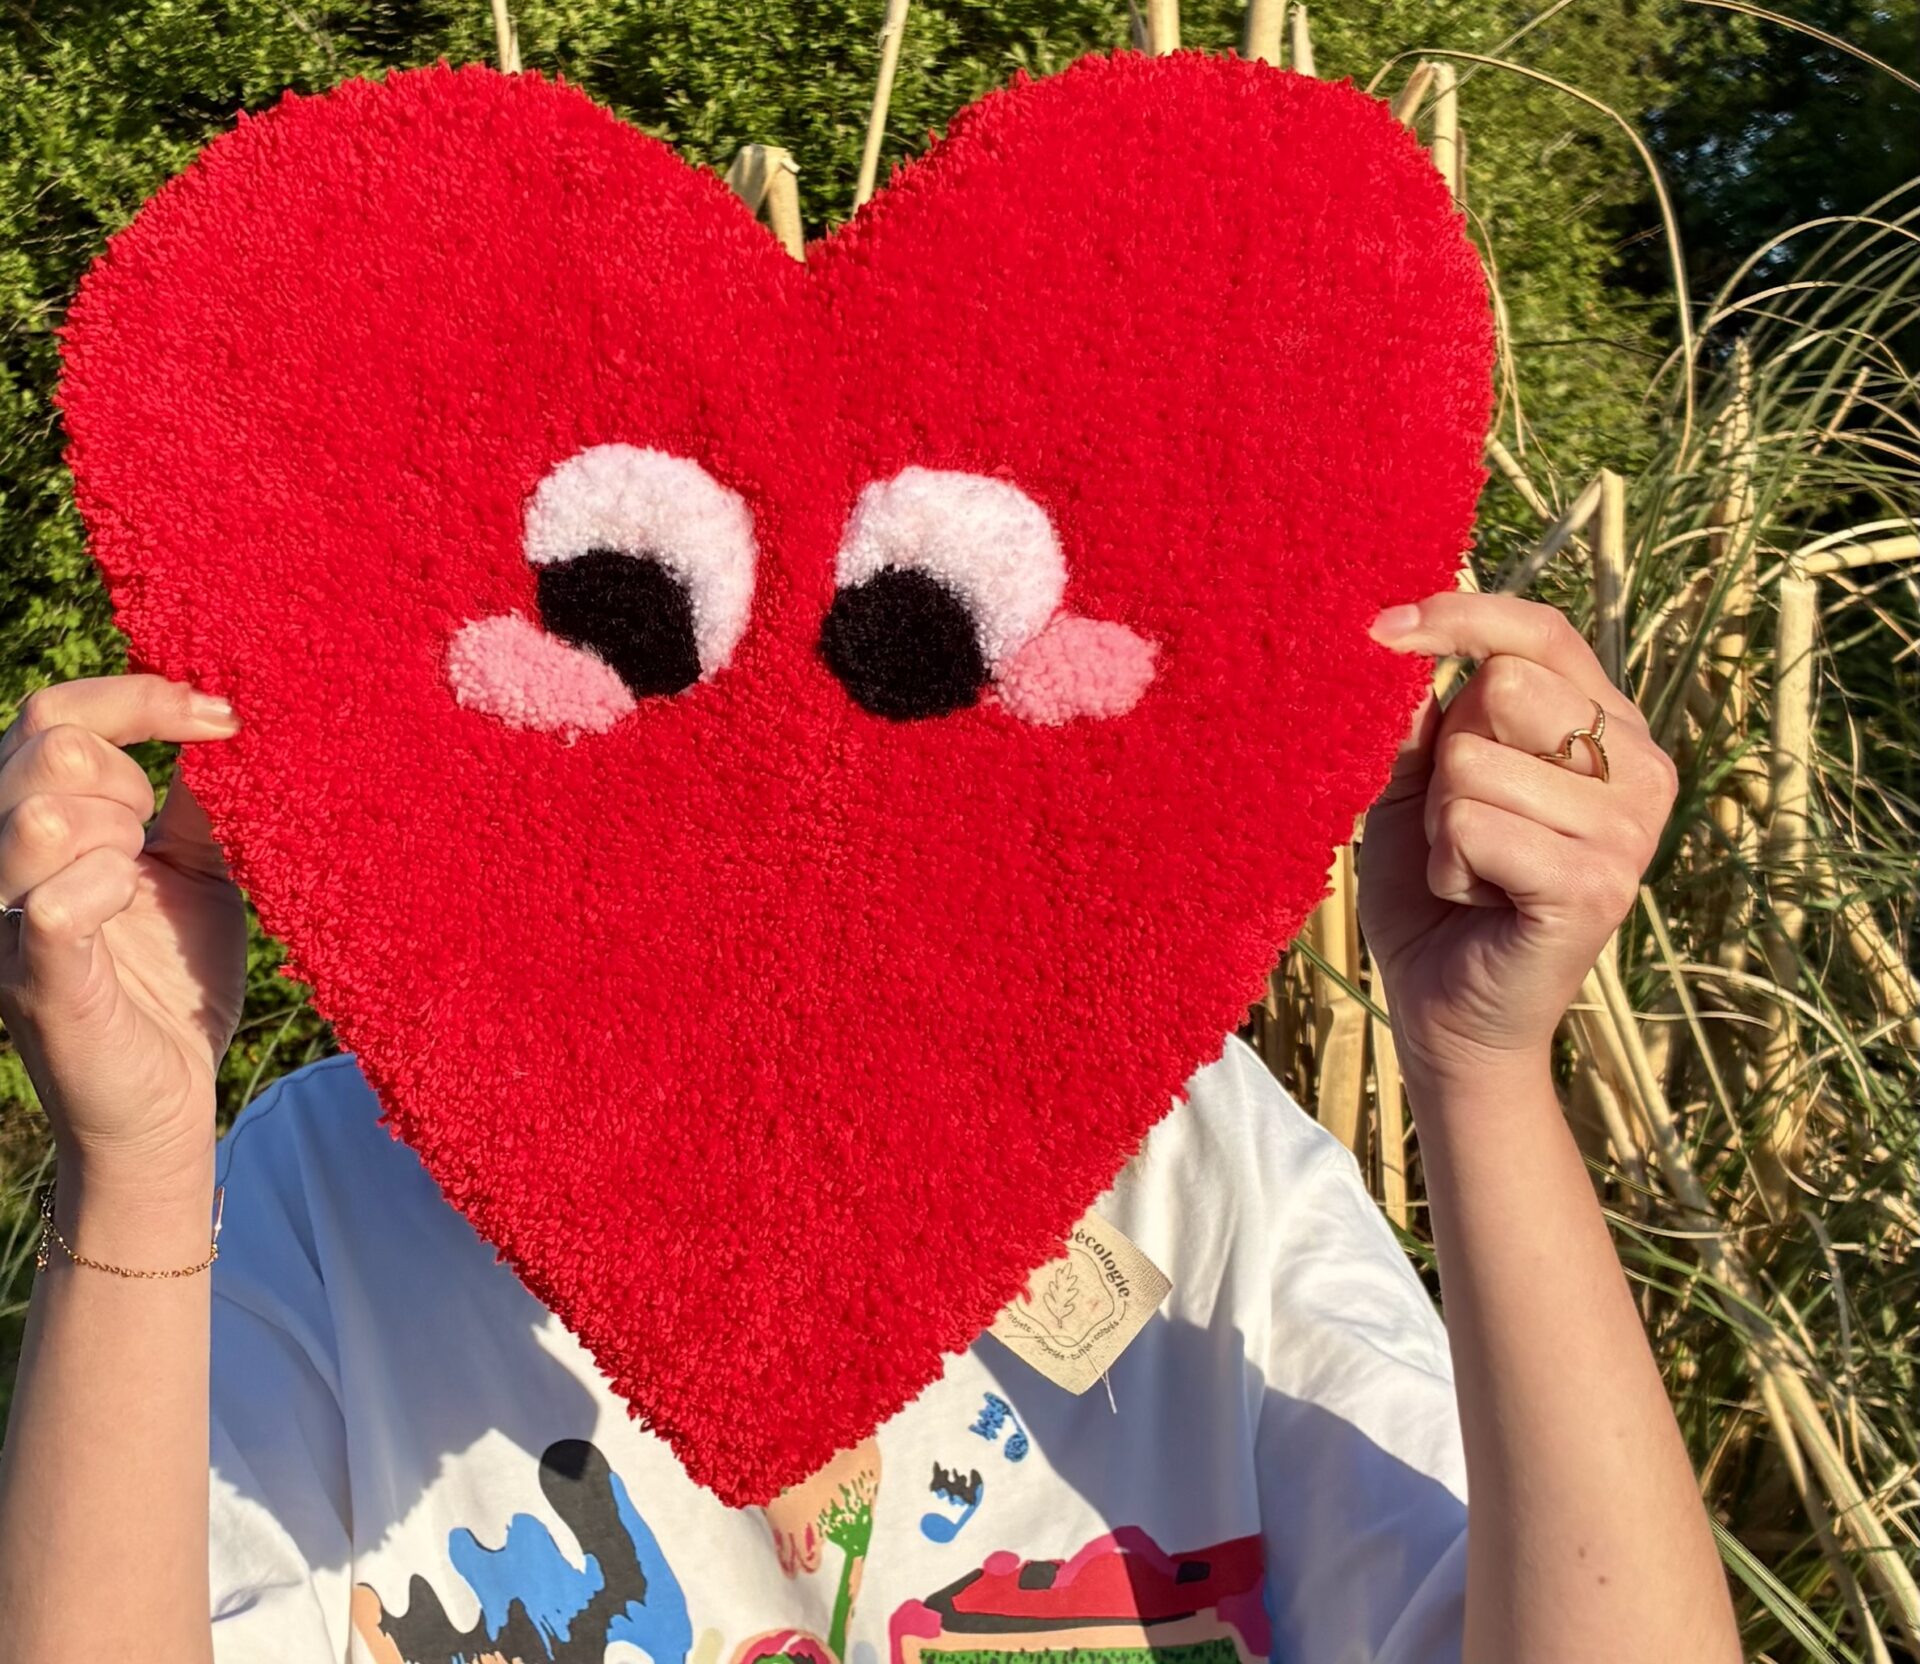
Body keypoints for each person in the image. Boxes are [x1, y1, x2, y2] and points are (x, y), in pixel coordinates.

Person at [0, 590, 1741, 1664]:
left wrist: (1483, 1071)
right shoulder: (324, 1198)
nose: (763, 767)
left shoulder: (1186, 1152)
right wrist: (136, 1165)